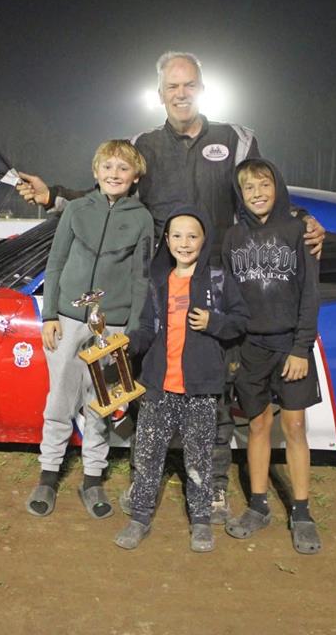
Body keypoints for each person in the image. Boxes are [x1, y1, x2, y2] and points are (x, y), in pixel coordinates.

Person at [17, 51, 326, 523]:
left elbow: (263, 191)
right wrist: (54, 195)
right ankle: (148, 480)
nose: (181, 94)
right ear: (160, 94)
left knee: (214, 390)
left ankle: (215, 488)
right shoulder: (145, 144)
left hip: (218, 285)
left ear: (202, 87)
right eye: (171, 87)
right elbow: (108, 193)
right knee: (151, 383)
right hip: (161, 286)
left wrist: (303, 220)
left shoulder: (237, 138)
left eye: (189, 85)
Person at [26, 140, 154, 520]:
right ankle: (48, 476)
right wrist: (49, 314)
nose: (114, 174)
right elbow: (56, 260)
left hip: (111, 324)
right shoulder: (77, 210)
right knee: (60, 400)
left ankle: (93, 477)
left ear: (135, 177)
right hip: (67, 317)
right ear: (96, 172)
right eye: (108, 167)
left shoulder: (142, 218)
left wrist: (131, 330)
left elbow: (141, 277)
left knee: (103, 403)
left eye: (123, 169)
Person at [114, 205, 248, 551]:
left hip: (200, 388)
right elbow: (146, 328)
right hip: (158, 386)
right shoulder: (157, 281)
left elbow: (240, 322)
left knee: (200, 457)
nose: (184, 243)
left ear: (205, 240)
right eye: (176, 236)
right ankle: (140, 516)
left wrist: (214, 323)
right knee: (147, 455)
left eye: (192, 236)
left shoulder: (218, 279)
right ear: (167, 240)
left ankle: (201, 521)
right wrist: (129, 344)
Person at [222, 158, 322, 555]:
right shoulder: (232, 238)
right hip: (251, 348)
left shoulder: (299, 230)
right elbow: (229, 297)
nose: (258, 194)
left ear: (277, 187)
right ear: (241, 195)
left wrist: (301, 348)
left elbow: (310, 295)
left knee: (295, 428)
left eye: (264, 185)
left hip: (289, 346)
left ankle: (301, 511)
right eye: (249, 188)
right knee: (258, 426)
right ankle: (258, 505)